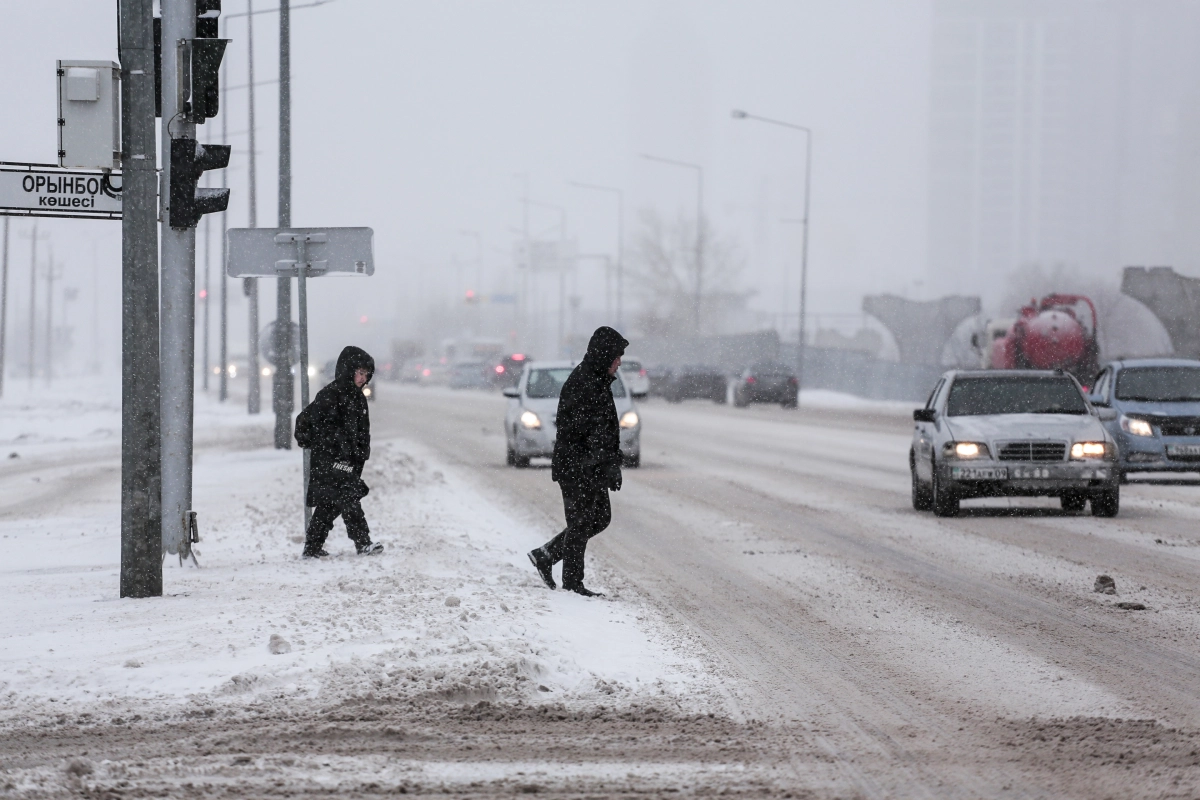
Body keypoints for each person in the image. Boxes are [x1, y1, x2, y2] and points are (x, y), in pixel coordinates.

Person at [528, 326, 629, 596]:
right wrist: (605, 463)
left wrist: (610, 463)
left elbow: (605, 431)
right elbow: (589, 432)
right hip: (577, 466)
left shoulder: (597, 380)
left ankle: (546, 555)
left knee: (599, 518)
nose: (619, 361)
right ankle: (572, 584)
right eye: (617, 356)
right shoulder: (585, 383)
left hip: (588, 465)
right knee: (582, 522)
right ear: (605, 355)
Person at [294, 345, 384, 558]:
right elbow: (303, 422)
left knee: (329, 505)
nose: (363, 378)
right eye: (359, 372)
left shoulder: (358, 399)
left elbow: (362, 433)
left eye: (366, 374)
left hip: (347, 461)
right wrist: (322, 445)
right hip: (331, 460)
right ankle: (363, 543)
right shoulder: (330, 394)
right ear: (348, 370)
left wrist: (361, 454)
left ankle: (312, 548)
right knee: (348, 496)